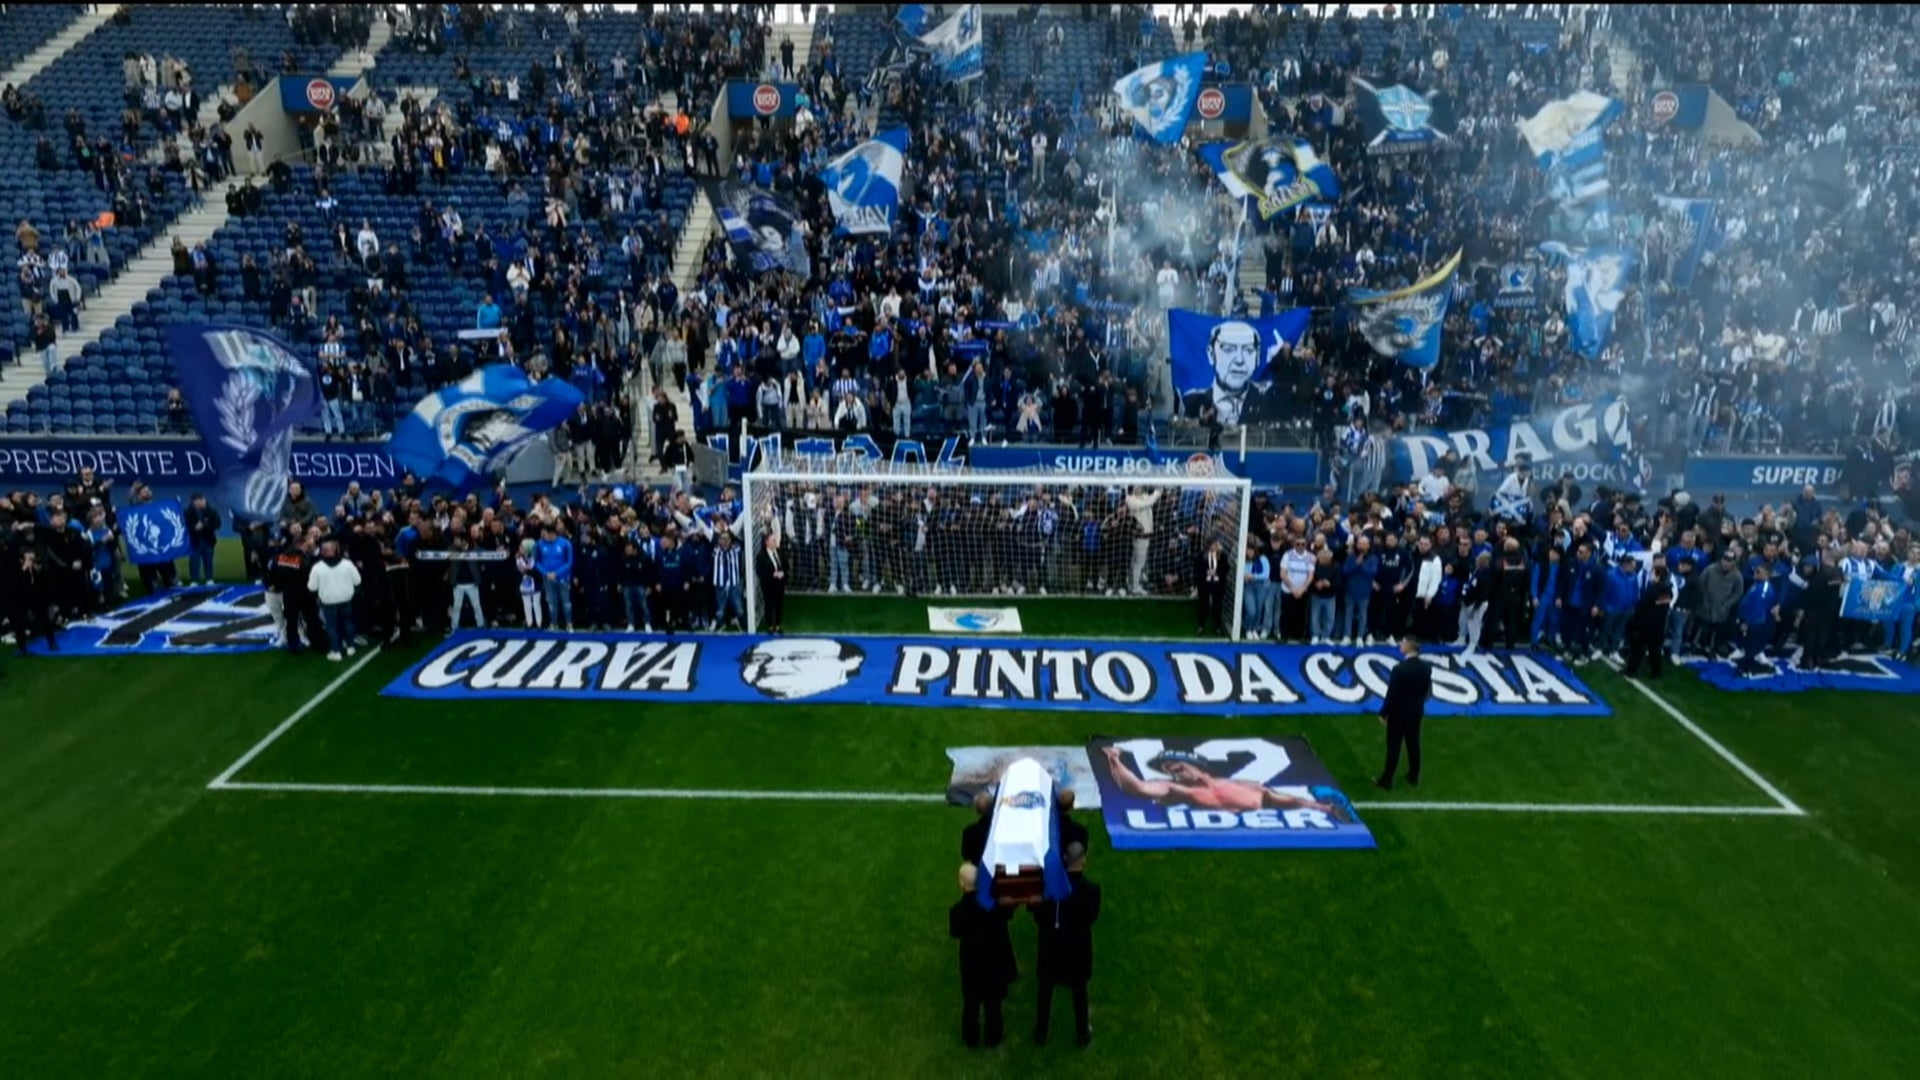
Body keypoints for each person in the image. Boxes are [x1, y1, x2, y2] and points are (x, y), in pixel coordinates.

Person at [1100, 746, 1347, 819]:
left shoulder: (1223, 780)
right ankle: (1322, 808)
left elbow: (1273, 796)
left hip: (1255, 802)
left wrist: (1320, 808)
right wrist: (1115, 762)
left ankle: (1324, 808)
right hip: (1243, 807)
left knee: (1268, 794)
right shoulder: (1175, 789)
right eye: (1173, 770)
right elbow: (1135, 787)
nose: (1178, 772)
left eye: (1179, 766)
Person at [1030, 842, 1100, 1048]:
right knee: (1079, 991)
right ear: (1083, 860)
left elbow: (1039, 916)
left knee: (1045, 989)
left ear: (1066, 859)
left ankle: (1041, 1032)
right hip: (1078, 948)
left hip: (1051, 945)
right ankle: (1082, 1033)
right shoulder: (1092, 891)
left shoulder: (1050, 889)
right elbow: (1091, 917)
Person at [949, 863, 1017, 1049]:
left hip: (970, 960)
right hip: (992, 956)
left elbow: (955, 933)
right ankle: (993, 1035)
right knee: (992, 1000)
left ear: (962, 884)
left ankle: (970, 1036)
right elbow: (1006, 916)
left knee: (970, 1000)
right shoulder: (993, 905)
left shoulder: (958, 910)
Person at [1180, 321, 1280, 426]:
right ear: (1211, 354)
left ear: (1257, 356)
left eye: (1248, 350)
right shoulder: (1193, 401)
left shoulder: (1267, 401)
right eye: (1228, 349)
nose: (1239, 360)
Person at [1376, 636, 1434, 790]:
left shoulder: (1399, 669)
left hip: (1398, 713)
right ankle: (1413, 776)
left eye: (1403, 642)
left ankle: (1387, 780)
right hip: (1416, 712)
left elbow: (1392, 694)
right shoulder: (1426, 668)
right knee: (1413, 744)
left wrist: (1383, 713)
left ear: (1410, 646)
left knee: (1394, 746)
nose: (1400, 644)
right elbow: (1427, 692)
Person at [737, 637, 864, 700]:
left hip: (797, 673)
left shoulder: (834, 675)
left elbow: (802, 688)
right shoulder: (831, 651)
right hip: (793, 669)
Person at [1622, 563, 1675, 679]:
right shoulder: (1668, 591)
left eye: (1653, 573)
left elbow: (1642, 607)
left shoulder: (1653, 590)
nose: (1651, 575)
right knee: (1654, 650)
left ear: (1658, 575)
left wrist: (1635, 621)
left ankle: (1631, 671)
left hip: (1644, 625)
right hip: (1658, 625)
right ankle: (1656, 672)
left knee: (1637, 650)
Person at [755, 532, 786, 633]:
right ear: (767, 542)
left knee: (778, 604)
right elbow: (759, 571)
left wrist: (783, 573)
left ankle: (777, 624)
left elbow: (785, 565)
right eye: (773, 540)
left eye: (775, 540)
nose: (775, 542)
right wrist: (772, 574)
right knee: (769, 604)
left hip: (779, 584)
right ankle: (769, 625)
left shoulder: (780, 552)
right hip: (768, 584)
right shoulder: (761, 556)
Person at [1194, 537, 1226, 635]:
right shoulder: (1201, 556)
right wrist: (1206, 573)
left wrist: (1217, 572)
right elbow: (1197, 569)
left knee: (1217, 606)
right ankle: (1201, 626)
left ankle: (1217, 627)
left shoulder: (1222, 556)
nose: (1216, 546)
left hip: (1218, 585)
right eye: (1214, 544)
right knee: (1204, 605)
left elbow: (1226, 568)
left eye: (1217, 544)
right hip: (1204, 585)